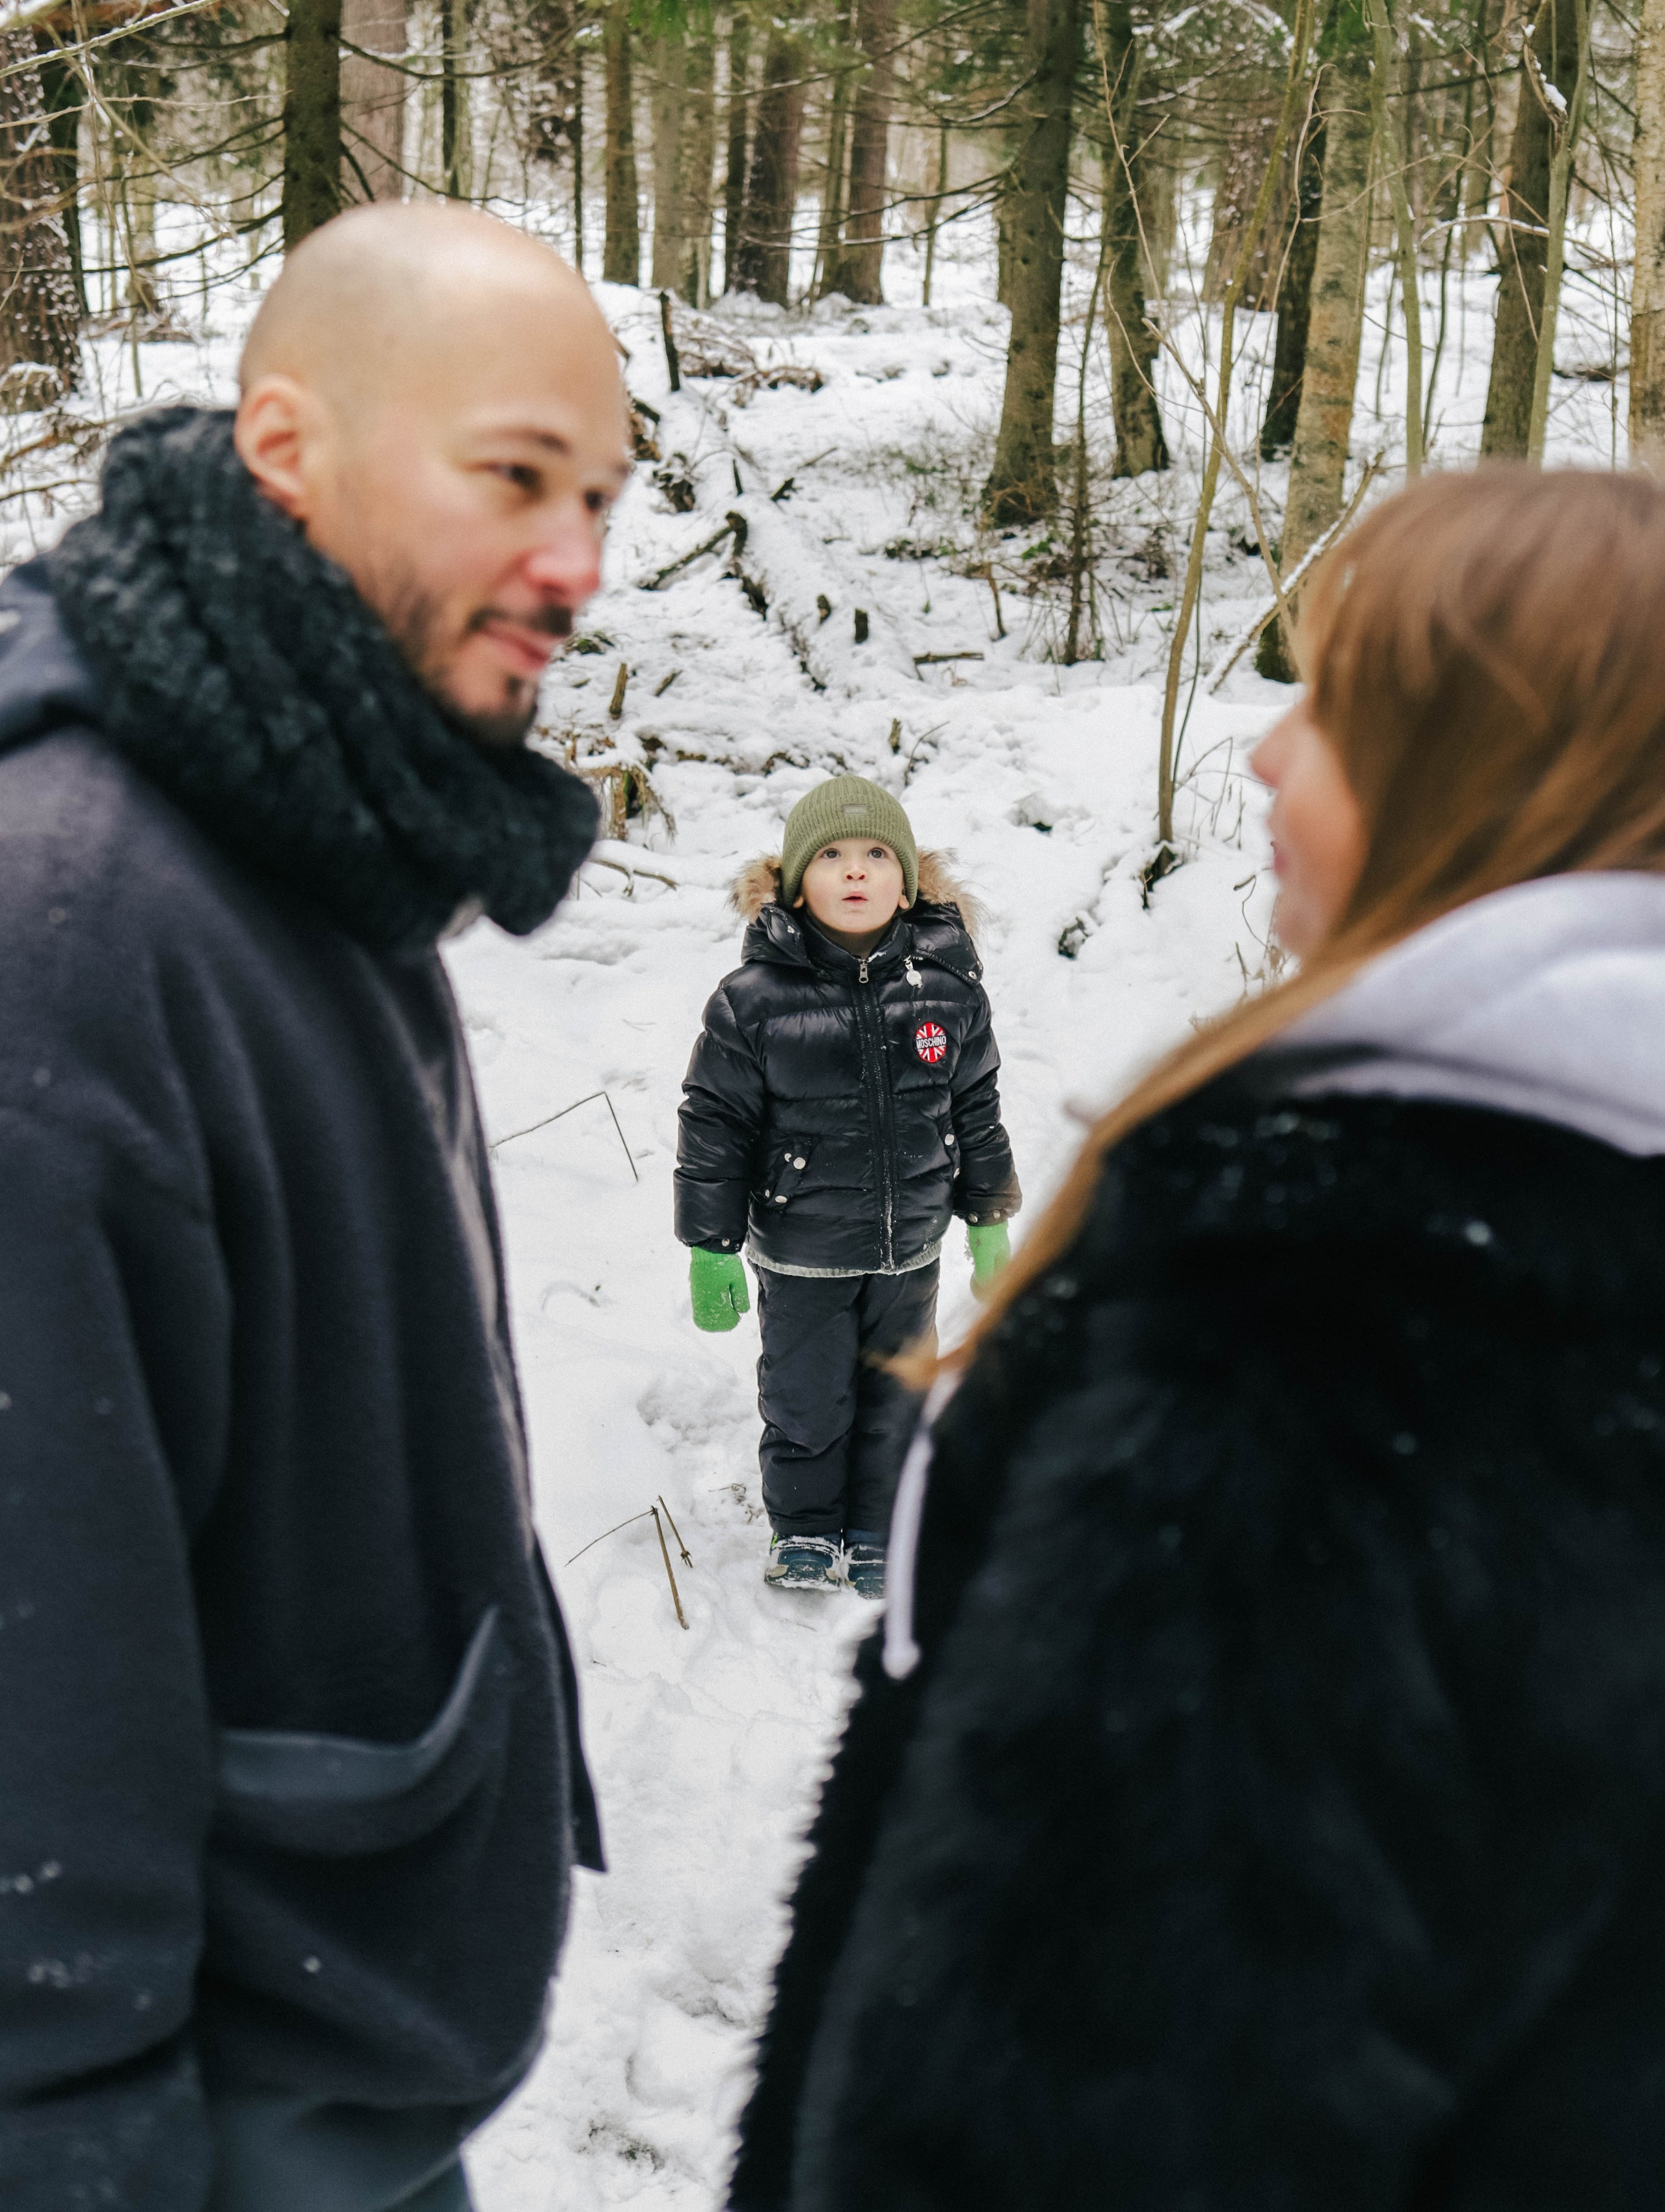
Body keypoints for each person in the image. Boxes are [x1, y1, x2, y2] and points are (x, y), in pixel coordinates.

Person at [729, 467, 1665, 2212]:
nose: (1260, 755)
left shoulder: (1335, 1329)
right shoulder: (1570, 1239)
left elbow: (1080, 2107)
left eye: (1328, 704)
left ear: (1484, 770)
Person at [0, 203, 633, 2211]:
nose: (575, 564)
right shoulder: (75, 932)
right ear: (287, 449)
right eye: (515, 476)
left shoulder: (297, 800)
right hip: (177, 2115)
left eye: (602, 498)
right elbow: (34, 1695)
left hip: (305, 2072)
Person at [675, 778, 1020, 1597]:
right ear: (797, 883)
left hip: (911, 1250)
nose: (856, 872)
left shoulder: (947, 991)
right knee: (806, 1401)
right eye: (831, 856)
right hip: (801, 1251)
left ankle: (875, 1529)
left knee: (895, 1395)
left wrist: (988, 1219)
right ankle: (803, 1532)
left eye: (875, 856)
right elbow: (713, 1125)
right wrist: (709, 1245)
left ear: (908, 882)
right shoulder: (751, 1002)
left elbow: (976, 1108)